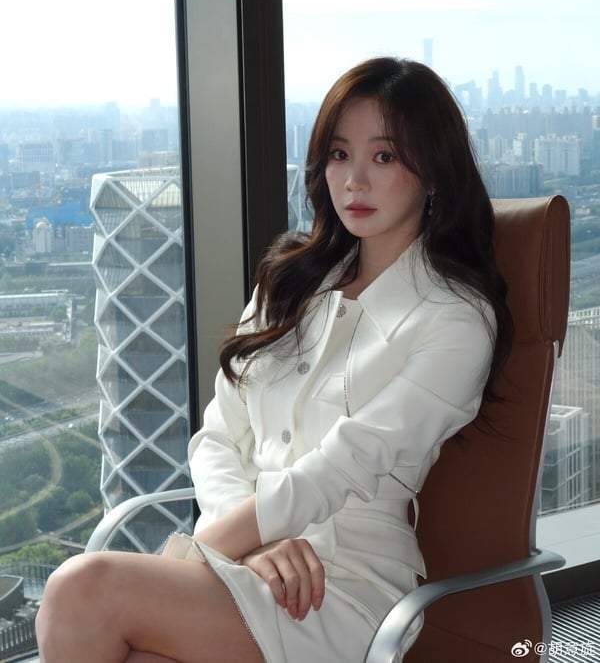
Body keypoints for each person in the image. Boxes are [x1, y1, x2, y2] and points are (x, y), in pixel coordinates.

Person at [35, 57, 513, 663]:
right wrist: (253, 546)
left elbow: (346, 465)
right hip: (250, 564)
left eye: (385, 157)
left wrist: (217, 545)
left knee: (82, 588)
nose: (355, 181)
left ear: (435, 172)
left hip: (343, 590)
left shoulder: (455, 319)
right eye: (339, 154)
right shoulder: (289, 283)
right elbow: (218, 437)